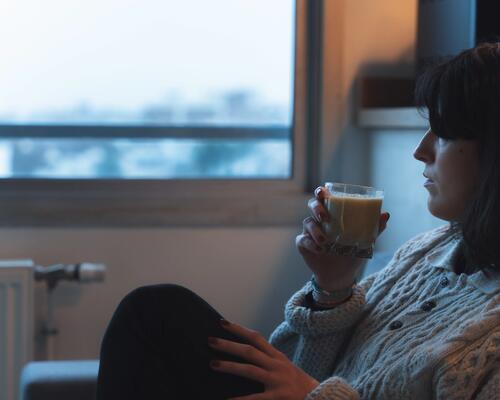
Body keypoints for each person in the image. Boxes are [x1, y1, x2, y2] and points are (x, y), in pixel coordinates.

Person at [96, 42, 500, 399]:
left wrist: (313, 395)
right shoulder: (425, 253)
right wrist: (334, 286)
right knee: (156, 311)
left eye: (443, 134)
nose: (420, 150)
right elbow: (302, 372)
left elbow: (308, 388)